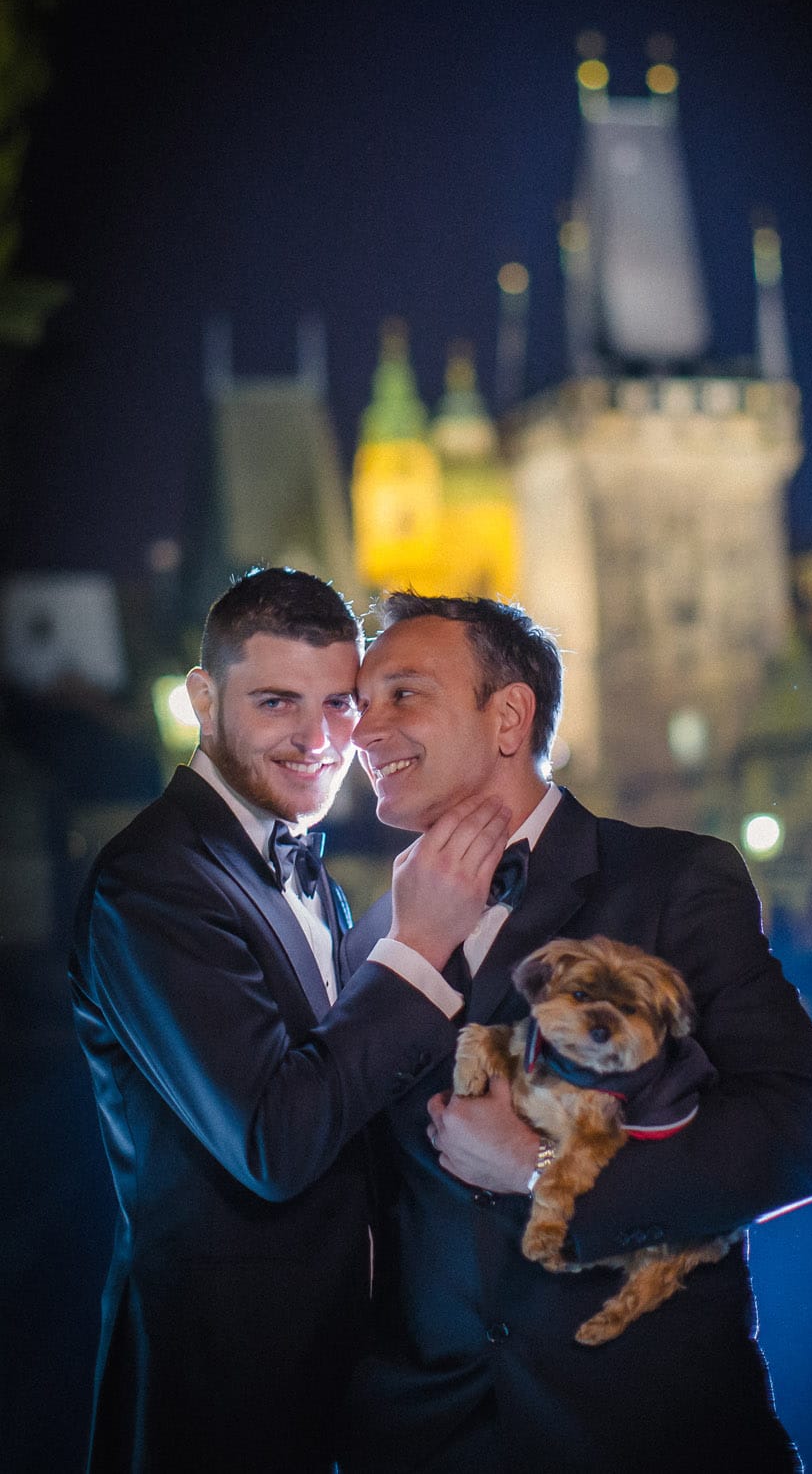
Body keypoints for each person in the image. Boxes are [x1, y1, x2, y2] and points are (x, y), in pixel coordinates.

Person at [341, 591, 812, 1474]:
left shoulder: (669, 880)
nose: (363, 730)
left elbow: (809, 1133)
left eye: (401, 695)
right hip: (428, 1443)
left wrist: (544, 1176)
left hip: (646, 1434)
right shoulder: (370, 938)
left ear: (508, 717)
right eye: (360, 704)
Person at [68, 568, 511, 1474]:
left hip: (348, 1385)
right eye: (276, 702)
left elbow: (348, 1088)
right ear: (202, 698)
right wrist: (417, 950)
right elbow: (275, 1138)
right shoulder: (152, 880)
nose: (319, 740)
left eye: (341, 706)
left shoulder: (302, 867)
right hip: (220, 1399)